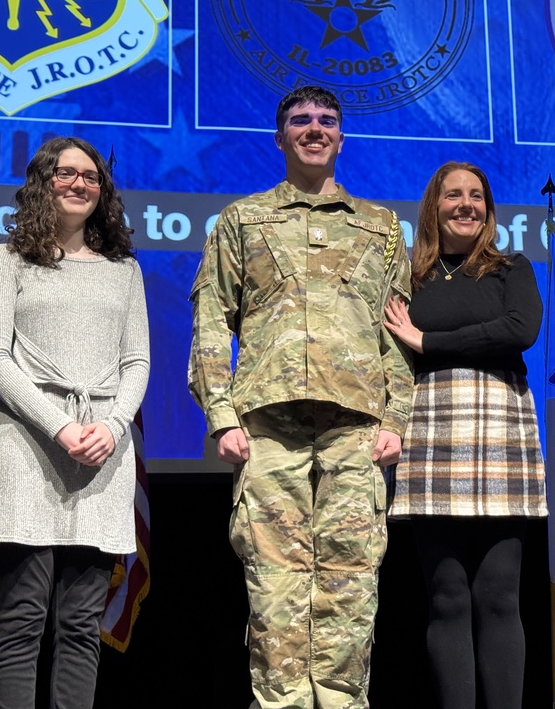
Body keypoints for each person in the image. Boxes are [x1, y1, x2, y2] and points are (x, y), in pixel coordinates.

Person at [188, 85, 413, 708]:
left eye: (327, 120)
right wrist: (221, 416)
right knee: (275, 590)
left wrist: (396, 416)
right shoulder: (242, 219)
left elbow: (397, 331)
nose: (315, 129)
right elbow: (212, 321)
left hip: (355, 429)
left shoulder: (382, 227)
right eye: (300, 121)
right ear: (280, 136)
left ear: (342, 136)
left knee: (350, 587)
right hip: (267, 427)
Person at [0, 137, 150, 708]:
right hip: (25, 449)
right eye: (66, 174)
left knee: (79, 623)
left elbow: (137, 360)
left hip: (102, 455)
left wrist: (114, 427)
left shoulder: (123, 269)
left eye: (91, 177)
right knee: (22, 618)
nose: (79, 184)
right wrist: (59, 426)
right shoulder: (7, 260)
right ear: (42, 182)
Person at [384, 162, 547, 708]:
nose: (466, 204)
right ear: (434, 204)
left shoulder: (511, 267)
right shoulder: (409, 276)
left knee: (499, 593)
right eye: (453, 194)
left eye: (476, 195)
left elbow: (519, 330)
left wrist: (428, 341)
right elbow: (391, 345)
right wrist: (433, 342)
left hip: (500, 427)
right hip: (431, 427)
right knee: (447, 595)